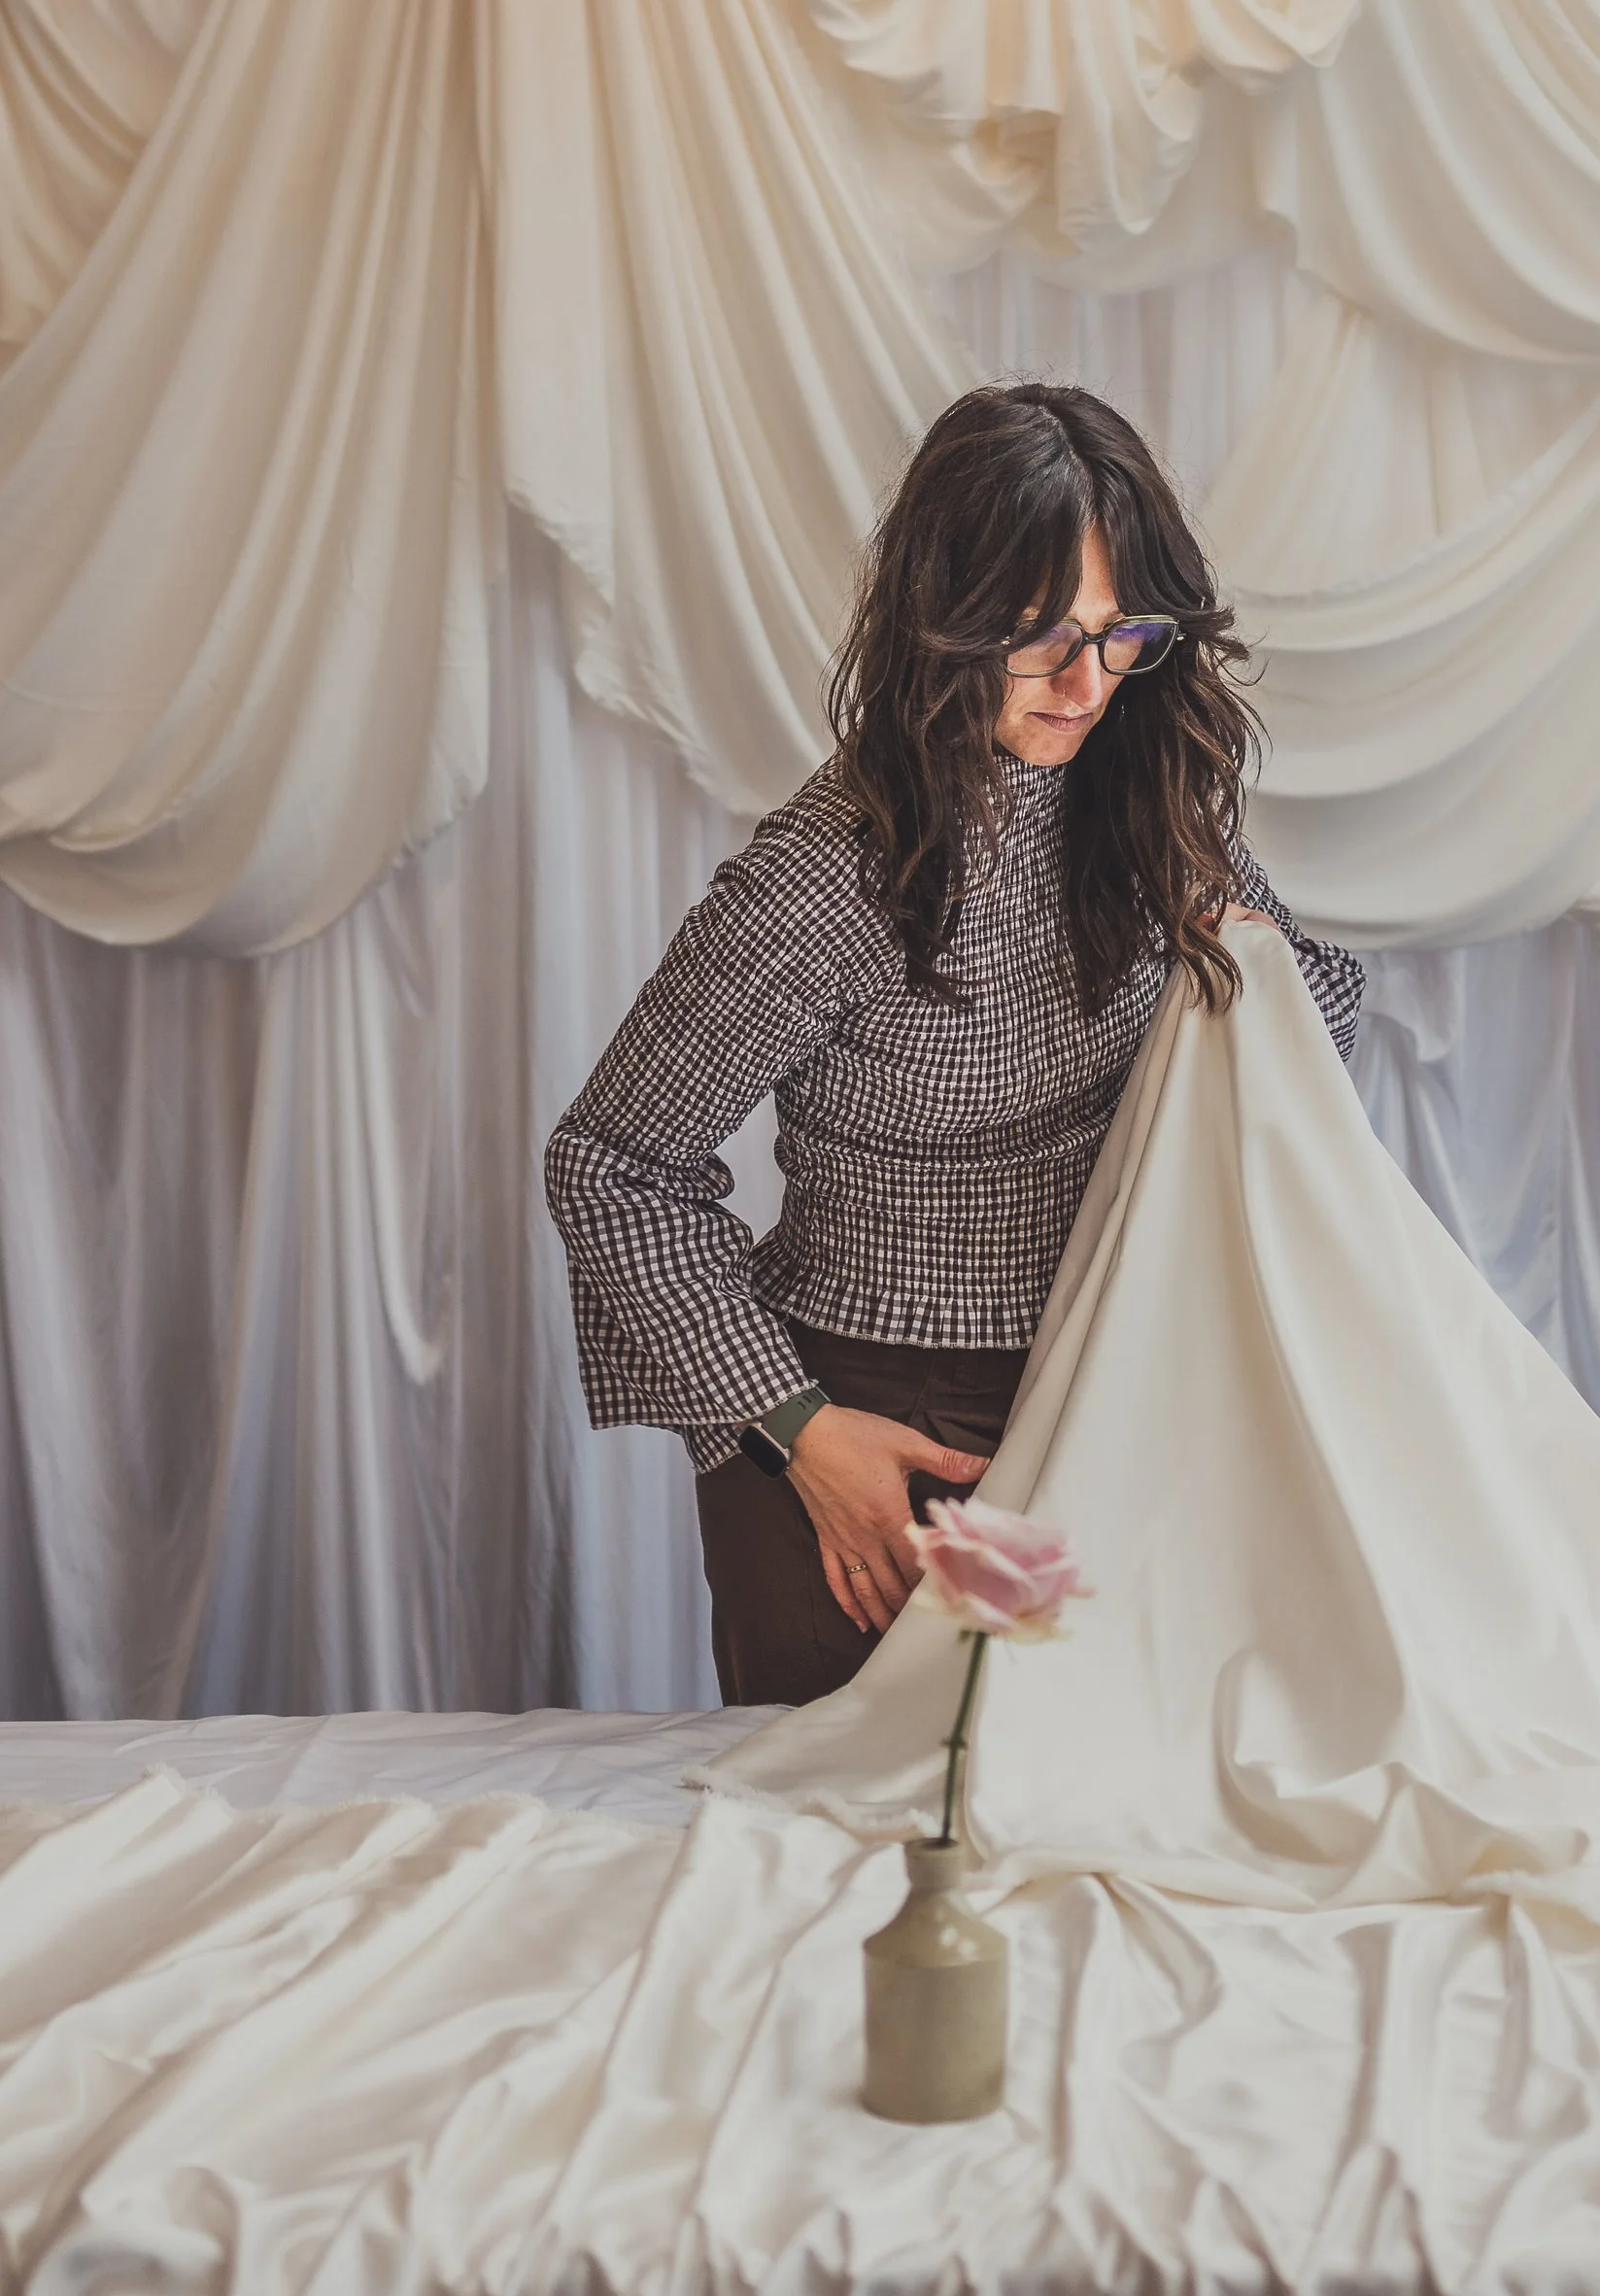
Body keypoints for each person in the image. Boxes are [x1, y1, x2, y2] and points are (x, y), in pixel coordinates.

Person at [544, 382, 1365, 1706]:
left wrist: (1250, 955)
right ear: (946, 616)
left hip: (1108, 1396)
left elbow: (1311, 1043)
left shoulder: (1151, 795)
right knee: (853, 1826)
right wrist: (795, 1429)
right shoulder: (826, 878)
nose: (1088, 685)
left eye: (1123, 633)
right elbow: (608, 1167)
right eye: (1042, 636)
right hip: (863, 1435)